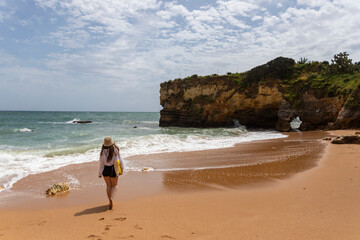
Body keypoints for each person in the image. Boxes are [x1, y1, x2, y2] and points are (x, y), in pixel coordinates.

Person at [98, 136, 124, 210]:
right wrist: (122, 168)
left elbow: (101, 163)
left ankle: (109, 200)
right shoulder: (115, 150)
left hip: (106, 169)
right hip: (114, 169)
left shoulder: (102, 152)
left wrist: (100, 173)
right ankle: (111, 198)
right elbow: (120, 160)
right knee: (115, 185)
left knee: (108, 185)